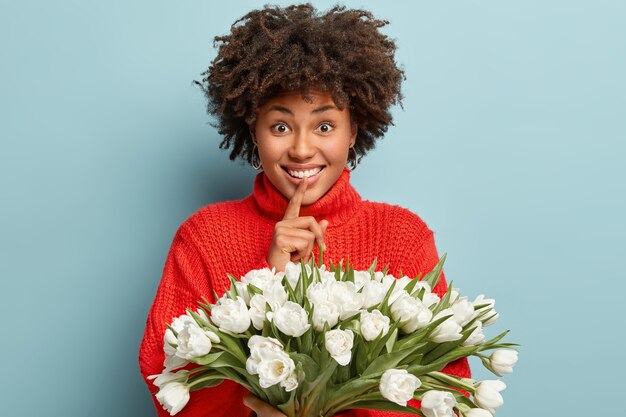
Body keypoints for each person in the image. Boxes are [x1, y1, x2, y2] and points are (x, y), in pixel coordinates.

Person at [138, 4, 471, 417]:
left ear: (355, 130)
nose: (300, 148)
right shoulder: (204, 236)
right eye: (280, 126)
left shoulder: (403, 237)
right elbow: (165, 373)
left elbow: (448, 389)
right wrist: (267, 285)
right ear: (253, 132)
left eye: (325, 126)